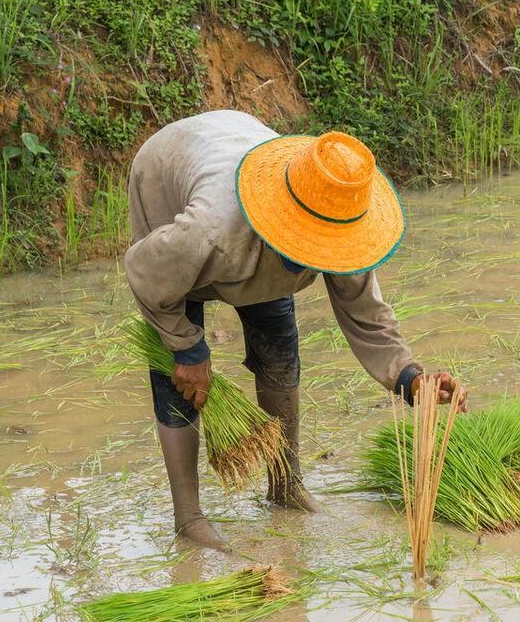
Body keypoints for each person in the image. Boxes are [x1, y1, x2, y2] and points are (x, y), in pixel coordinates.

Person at [124, 110, 468, 549]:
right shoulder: (209, 232)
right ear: (285, 226)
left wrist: (410, 378)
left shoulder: (340, 222)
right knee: (178, 374)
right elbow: (146, 276)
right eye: (313, 244)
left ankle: (285, 486)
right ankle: (188, 516)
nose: (326, 255)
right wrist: (186, 347)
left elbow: (365, 310)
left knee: (280, 353)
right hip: (168, 176)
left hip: (239, 183)